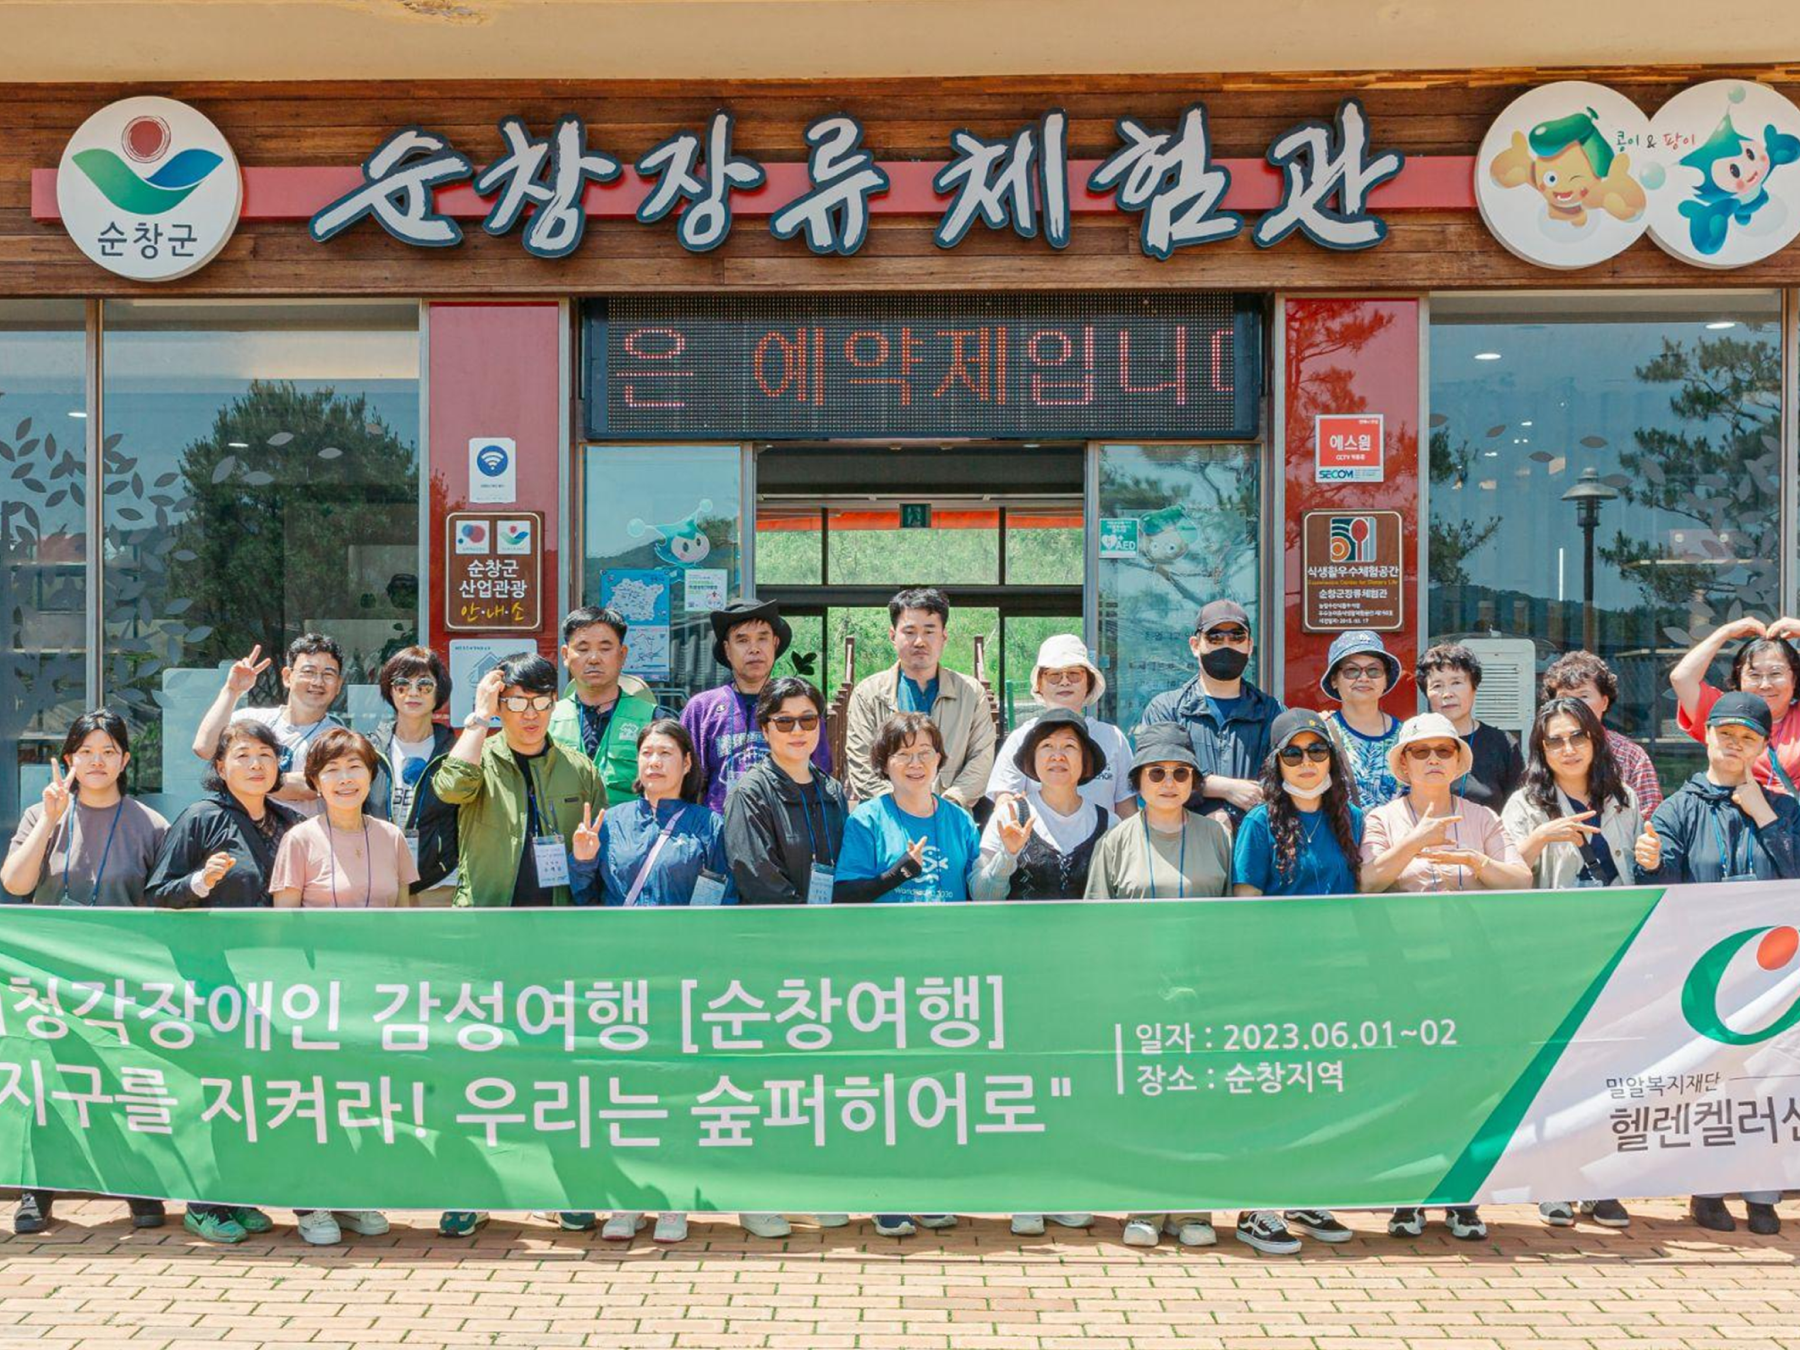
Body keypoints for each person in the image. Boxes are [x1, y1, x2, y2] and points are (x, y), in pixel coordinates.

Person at [431, 652, 608, 1240]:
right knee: (476, 1065)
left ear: (554, 704)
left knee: (556, 1069)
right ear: (500, 704)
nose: (529, 714)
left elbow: (596, 851)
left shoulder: (578, 768)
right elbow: (450, 789)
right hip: (486, 937)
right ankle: (468, 1190)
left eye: (539, 702)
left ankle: (563, 1191)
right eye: (516, 703)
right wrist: (478, 717)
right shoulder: (479, 755)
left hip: (556, 941)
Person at [1359, 712, 1530, 1242]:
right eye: (1421, 751)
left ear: (1458, 761)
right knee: (1409, 1080)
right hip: (1405, 971)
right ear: (1403, 763)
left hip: (1470, 969)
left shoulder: (1482, 816)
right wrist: (1416, 841)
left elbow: (1520, 881)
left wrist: (1475, 860)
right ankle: (1408, 1194)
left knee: (1470, 1082)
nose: (1433, 759)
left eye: (1444, 750)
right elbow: (1368, 881)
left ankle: (1463, 1196)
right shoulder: (1381, 817)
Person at [837, 712, 1007, 1238]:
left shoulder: (958, 820)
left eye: (925, 753)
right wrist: (898, 874)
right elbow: (845, 895)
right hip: (885, 975)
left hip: (946, 974)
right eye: (903, 754)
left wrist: (1007, 857)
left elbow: (978, 891)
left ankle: (930, 1186)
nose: (915, 763)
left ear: (940, 760)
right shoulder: (867, 819)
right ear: (884, 763)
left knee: (938, 1085)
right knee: (888, 1086)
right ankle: (886, 1192)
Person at [1637, 690, 1799, 1237]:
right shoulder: (1677, 808)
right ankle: (1706, 1190)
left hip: (1773, 973)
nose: (1734, 744)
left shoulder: (1786, 808)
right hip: (1703, 971)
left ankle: (1762, 1193)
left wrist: (1764, 816)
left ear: (1764, 745)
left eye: (1747, 738)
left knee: (1771, 1080)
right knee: (1710, 1082)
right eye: (1725, 733)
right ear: (1705, 736)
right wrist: (1651, 863)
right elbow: (1663, 888)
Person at [2, 711, 169, 1236]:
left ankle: (138, 1184)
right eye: (86, 752)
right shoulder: (42, 813)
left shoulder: (150, 823)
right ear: (69, 759)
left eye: (109, 751)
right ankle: (37, 1187)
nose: (97, 761)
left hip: (122, 977)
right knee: (47, 1078)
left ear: (125, 759)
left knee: (124, 1077)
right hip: (47, 976)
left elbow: (163, 905)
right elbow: (15, 883)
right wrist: (50, 820)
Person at [1501, 697, 1659, 1233]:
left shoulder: (1623, 798)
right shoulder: (1526, 803)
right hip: (1552, 955)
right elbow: (1503, 875)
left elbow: (1637, 867)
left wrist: (1650, 857)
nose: (1568, 748)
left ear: (1595, 739)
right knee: (1554, 1073)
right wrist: (1539, 839)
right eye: (1555, 740)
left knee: (1605, 1071)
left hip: (1615, 951)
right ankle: (1551, 1184)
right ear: (1540, 750)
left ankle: (1599, 1183)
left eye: (1577, 736)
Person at [569, 719, 729, 1246]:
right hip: (621, 974)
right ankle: (628, 1199)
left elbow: (722, 895)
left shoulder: (708, 825)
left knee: (677, 1087)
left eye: (666, 753)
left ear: (687, 763)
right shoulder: (612, 820)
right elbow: (586, 900)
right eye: (647, 753)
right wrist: (583, 861)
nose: (655, 762)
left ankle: (675, 1199)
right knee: (627, 1087)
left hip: (683, 975)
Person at [145, 718, 299, 1244]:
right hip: (214, 979)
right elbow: (157, 893)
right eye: (243, 756)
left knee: (255, 1092)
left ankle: (236, 1192)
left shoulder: (289, 822)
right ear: (220, 766)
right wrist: (199, 881)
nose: (256, 765)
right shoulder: (201, 818)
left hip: (275, 983)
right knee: (217, 1089)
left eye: (265, 755)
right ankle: (203, 1201)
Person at [1084, 726, 1231, 1249]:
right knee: (1146, 1100)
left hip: (1204, 993)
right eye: (1157, 773)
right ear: (1138, 782)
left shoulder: (1217, 836)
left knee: (1198, 1101)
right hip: (1140, 995)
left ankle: (1193, 1209)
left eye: (1180, 773)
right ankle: (1144, 1204)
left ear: (1193, 781)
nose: (1169, 782)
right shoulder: (1116, 840)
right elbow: (1097, 925)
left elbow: (1237, 917)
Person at [717, 675, 853, 1240]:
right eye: (785, 721)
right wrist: (805, 932)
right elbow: (755, 874)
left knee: (813, 1081)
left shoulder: (832, 791)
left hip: (826, 957)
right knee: (766, 1080)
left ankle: (808, 1185)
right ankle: (757, 1194)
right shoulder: (750, 791)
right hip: (772, 956)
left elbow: (846, 870)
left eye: (808, 719)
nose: (798, 731)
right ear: (764, 728)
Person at [1225, 709, 1361, 1255]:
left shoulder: (1351, 818)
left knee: (1317, 1088)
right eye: (1294, 753)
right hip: (1275, 982)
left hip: (1334, 979)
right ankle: (1255, 1206)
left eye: (1317, 751)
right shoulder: (1259, 824)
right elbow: (1245, 910)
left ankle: (1304, 1192)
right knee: (1269, 1091)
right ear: (1276, 763)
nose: (1307, 763)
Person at [267, 728, 409, 1245]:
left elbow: (406, 919)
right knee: (314, 1100)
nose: (345, 779)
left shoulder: (390, 837)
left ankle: (352, 1193)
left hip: (375, 995)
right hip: (318, 995)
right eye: (331, 770)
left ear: (371, 776)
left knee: (362, 1097)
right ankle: (312, 1201)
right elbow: (282, 930)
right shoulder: (299, 839)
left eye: (355, 767)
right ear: (314, 781)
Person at [844, 588, 996, 809]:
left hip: (951, 816)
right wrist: (904, 808)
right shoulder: (868, 694)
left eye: (929, 631)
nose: (919, 641)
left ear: (944, 636)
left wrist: (945, 806)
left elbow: (981, 758)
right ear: (892, 636)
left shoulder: (971, 693)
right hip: (887, 817)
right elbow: (861, 762)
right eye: (909, 631)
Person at [1140, 599, 1284, 824]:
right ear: (1195, 645)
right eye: (1215, 637)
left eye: (1237, 637)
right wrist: (1225, 788)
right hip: (1180, 837)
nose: (1226, 646)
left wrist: (1231, 814)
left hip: (1252, 839)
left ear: (1249, 645)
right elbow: (1155, 777)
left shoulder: (1271, 712)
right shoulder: (1167, 709)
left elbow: (1284, 778)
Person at [681, 598, 830, 813]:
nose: (754, 649)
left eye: (762, 639)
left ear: (775, 644)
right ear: (727, 649)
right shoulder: (702, 709)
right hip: (720, 828)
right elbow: (685, 782)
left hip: (788, 827)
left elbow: (821, 773)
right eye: (742, 640)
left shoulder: (799, 706)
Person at [191, 634, 347, 813]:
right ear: (287, 676)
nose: (318, 682)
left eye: (328, 674)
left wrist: (243, 777)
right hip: (241, 828)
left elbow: (313, 786)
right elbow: (205, 748)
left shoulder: (340, 739)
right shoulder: (250, 721)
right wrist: (232, 691)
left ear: (338, 685)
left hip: (303, 831)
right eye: (308, 672)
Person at [985, 634, 1134, 819]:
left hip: (1105, 838)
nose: (1064, 682)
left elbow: (1126, 808)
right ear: (1039, 684)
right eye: (1054, 675)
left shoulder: (1113, 738)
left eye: (1074, 674)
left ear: (1088, 682)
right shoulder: (1021, 737)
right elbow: (1005, 800)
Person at [980, 709, 1113, 902]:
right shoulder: (1009, 817)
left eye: (1069, 746)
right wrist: (1007, 855)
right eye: (1047, 745)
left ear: (1085, 760)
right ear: (1033, 759)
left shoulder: (1110, 824)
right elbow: (980, 894)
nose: (1057, 756)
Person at [548, 605, 675, 804]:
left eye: (605, 649)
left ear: (622, 654)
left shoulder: (655, 720)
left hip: (633, 824)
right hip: (564, 824)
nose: (594, 659)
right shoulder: (545, 719)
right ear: (565, 655)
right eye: (583, 649)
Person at [366, 646, 459, 901]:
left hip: (439, 882)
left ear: (439, 691)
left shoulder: (454, 751)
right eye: (402, 684)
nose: (413, 692)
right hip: (378, 880)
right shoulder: (369, 749)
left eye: (425, 684)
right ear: (390, 690)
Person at [1670, 617, 1800, 795]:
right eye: (1754, 675)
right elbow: (1682, 678)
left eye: (1775, 673)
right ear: (1739, 679)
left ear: (1794, 678)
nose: (1765, 685)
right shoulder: (1725, 714)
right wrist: (1725, 632)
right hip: (1737, 811)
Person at [1540, 650, 1662, 819]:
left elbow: (1649, 819)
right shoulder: (1543, 749)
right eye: (1565, 698)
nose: (1574, 705)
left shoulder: (1630, 755)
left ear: (1604, 702)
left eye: (1583, 696)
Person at [1416, 642, 1523, 810]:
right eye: (1437, 685)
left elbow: (1518, 808)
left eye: (1456, 682)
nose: (1447, 694)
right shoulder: (1414, 743)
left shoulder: (1503, 744)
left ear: (1474, 687)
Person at [1318, 630, 1403, 809]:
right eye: (1352, 670)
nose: (1364, 678)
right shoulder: (1320, 733)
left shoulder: (1405, 735)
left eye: (1374, 670)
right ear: (1334, 680)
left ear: (1385, 679)